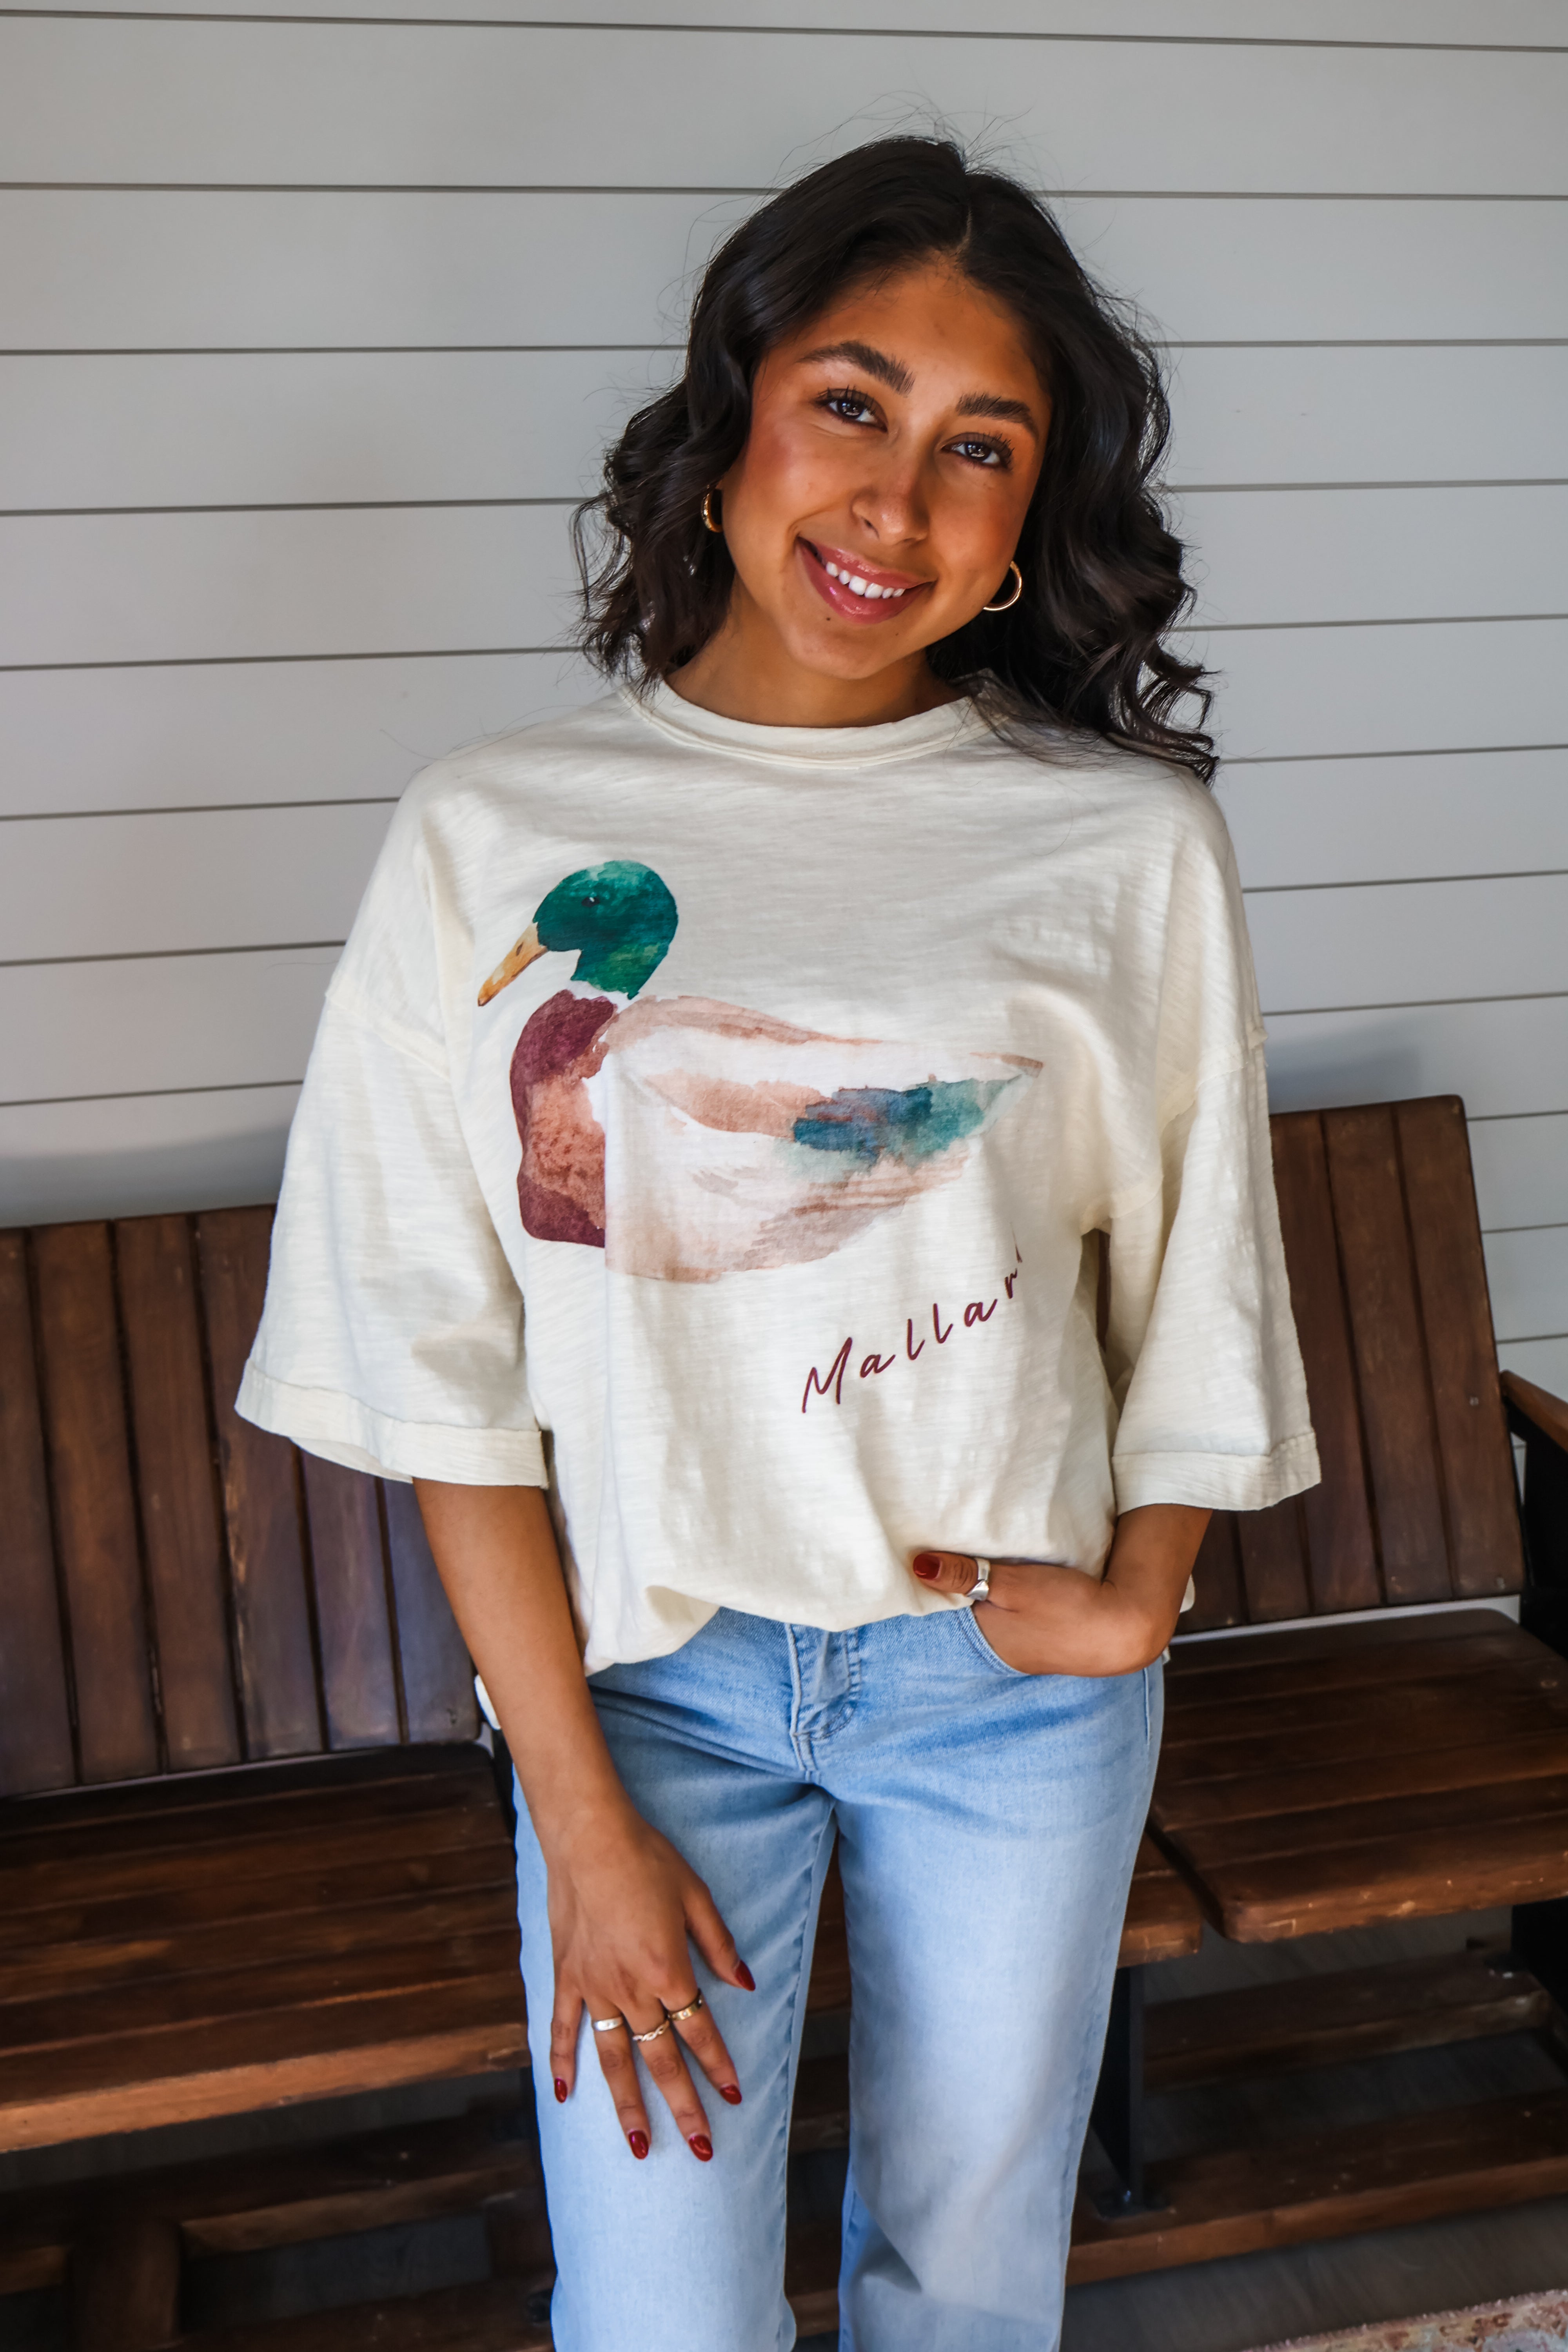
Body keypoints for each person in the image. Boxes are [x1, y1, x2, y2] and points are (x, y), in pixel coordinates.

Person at [240, 135, 1317, 2352]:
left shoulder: (1124, 849)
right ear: (732, 414)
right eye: (851, 402)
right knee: (658, 2317)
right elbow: (440, 1365)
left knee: (966, 2283)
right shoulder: (485, 832)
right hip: (651, 1688)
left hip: (1004, 1695)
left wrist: (1142, 1590)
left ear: (1030, 520)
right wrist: (577, 1813)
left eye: (980, 447)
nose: (895, 503)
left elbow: (1201, 1266)